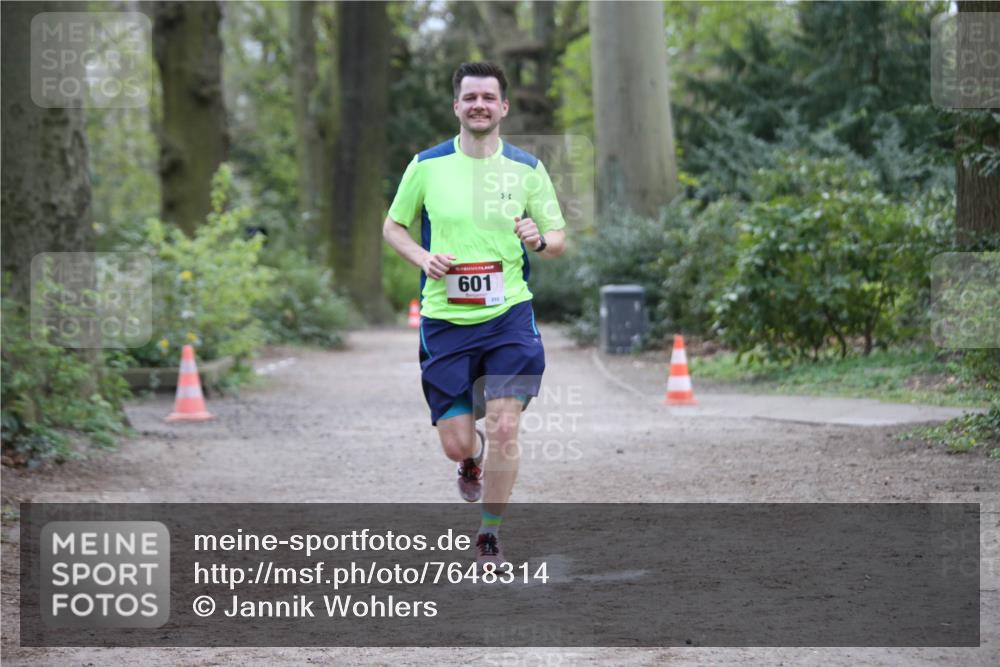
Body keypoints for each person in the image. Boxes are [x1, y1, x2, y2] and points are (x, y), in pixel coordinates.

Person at [382, 61, 566, 568]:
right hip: (445, 320)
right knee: (456, 442)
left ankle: (489, 533)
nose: (479, 104)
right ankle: (469, 456)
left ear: (504, 107)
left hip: (509, 313)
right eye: (470, 97)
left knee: (507, 426)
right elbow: (393, 226)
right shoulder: (426, 165)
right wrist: (423, 258)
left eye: (489, 97)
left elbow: (558, 239)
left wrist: (540, 239)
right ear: (456, 106)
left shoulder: (527, 169)